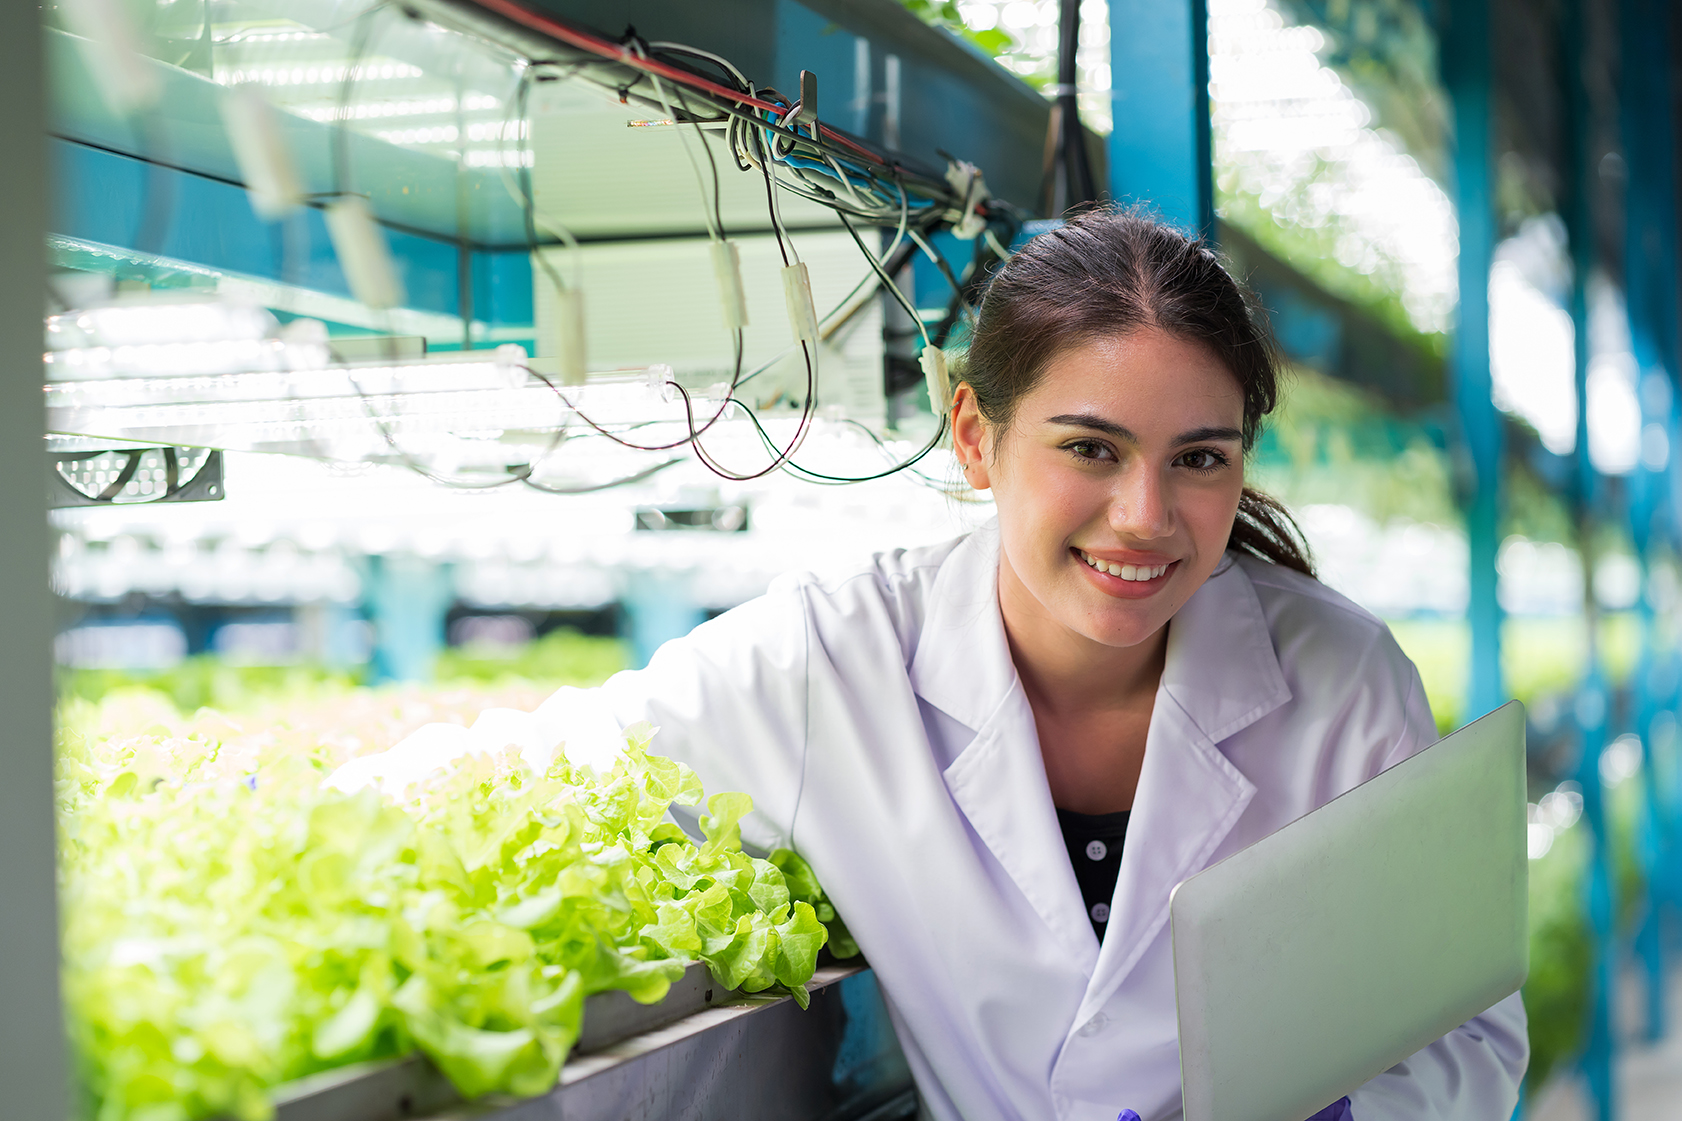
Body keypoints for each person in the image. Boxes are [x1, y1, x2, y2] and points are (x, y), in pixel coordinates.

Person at [344, 210, 1528, 1119]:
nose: (1143, 514)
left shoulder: (1341, 682)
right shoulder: (834, 658)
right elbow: (543, 772)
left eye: (1198, 459)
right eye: (1089, 447)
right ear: (975, 435)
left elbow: (1465, 1037)